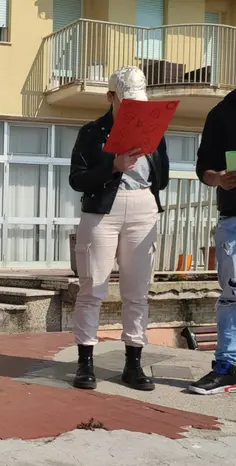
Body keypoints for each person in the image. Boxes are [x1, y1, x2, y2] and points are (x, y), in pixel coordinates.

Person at [68, 65, 170, 391]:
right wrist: (113, 166)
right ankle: (85, 364)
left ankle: (134, 365)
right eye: (126, 102)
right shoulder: (92, 131)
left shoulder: (155, 129)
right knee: (92, 288)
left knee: (137, 292)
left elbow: (162, 180)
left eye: (138, 103)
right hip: (101, 210)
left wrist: (154, 153)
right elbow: (77, 179)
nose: (133, 109)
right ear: (111, 97)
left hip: (143, 208)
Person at [190, 26, 236, 395]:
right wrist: (217, 178)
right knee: (233, 294)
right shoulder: (225, 109)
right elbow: (203, 164)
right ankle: (227, 368)